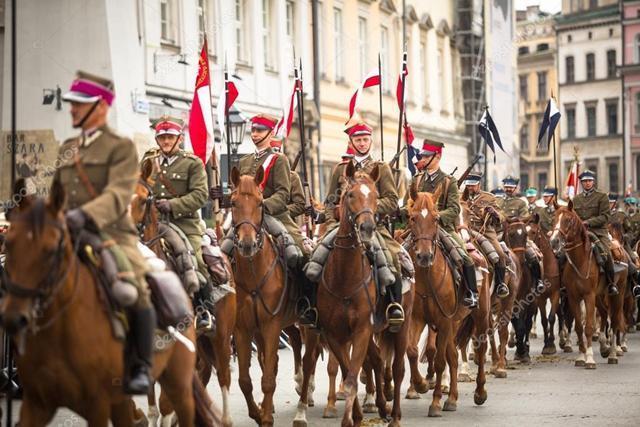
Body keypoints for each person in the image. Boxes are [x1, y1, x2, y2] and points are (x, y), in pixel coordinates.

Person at [56, 70, 154, 394]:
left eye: (78, 104)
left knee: (133, 287)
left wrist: (82, 215)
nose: (70, 109)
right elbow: (55, 193)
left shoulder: (120, 147)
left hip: (111, 232)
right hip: (67, 230)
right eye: (70, 103)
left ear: (100, 106)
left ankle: (141, 364)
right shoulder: (68, 147)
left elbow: (117, 196)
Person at [212, 114, 315, 324]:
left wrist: (261, 206)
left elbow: (283, 193)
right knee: (222, 252)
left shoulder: (279, 160)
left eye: (260, 130)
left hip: (274, 216)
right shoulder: (244, 161)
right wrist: (221, 197)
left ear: (271, 133)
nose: (255, 134)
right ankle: (222, 302)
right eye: (254, 130)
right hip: (248, 219)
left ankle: (305, 303)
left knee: (299, 253)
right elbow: (238, 194)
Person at [307, 121, 406, 328]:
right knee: (315, 256)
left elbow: (390, 198)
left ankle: (394, 306)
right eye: (358, 140)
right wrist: (333, 222)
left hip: (372, 226)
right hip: (342, 227)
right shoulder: (342, 169)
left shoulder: (381, 168)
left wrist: (367, 210)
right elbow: (329, 202)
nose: (362, 143)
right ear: (351, 141)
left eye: (365, 139)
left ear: (371, 140)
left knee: (392, 258)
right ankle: (312, 308)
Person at [140, 116, 214, 331]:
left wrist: (173, 205)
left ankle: (203, 310)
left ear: (179, 138)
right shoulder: (147, 161)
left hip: (184, 224)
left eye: (170, 137)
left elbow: (201, 194)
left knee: (197, 260)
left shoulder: (192, 162)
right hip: (150, 224)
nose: (165, 141)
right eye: (161, 137)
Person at [406, 139, 478, 308]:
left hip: (442, 228)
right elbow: (407, 204)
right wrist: (402, 212)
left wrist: (436, 217)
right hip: (418, 228)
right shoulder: (416, 180)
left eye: (426, 156)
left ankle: (471, 293)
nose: (421, 159)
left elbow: (454, 208)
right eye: (422, 156)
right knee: (398, 253)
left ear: (436, 157)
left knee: (464, 257)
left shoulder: (448, 181)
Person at [461, 172, 510, 298]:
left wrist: (494, 213)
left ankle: (501, 284)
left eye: (473, 185)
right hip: (465, 230)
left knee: (499, 253)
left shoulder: (489, 197)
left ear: (479, 184)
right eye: (468, 186)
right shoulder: (460, 197)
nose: (470, 188)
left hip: (485, 231)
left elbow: (502, 216)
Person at [572, 170, 619, 295]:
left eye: (589, 181)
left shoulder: (602, 196)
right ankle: (563, 285)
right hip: (579, 233)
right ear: (581, 183)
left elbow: (605, 216)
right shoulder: (576, 199)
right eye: (584, 181)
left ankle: (611, 283)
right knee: (562, 254)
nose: (587, 183)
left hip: (598, 232)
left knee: (605, 253)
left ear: (593, 182)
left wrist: (588, 222)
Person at [500, 175, 544, 292]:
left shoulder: (520, 203)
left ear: (515, 189)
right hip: (500, 234)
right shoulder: (497, 201)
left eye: (511, 187)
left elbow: (525, 217)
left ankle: (538, 281)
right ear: (503, 187)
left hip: (517, 234)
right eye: (507, 187)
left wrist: (515, 220)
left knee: (532, 255)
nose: (508, 189)